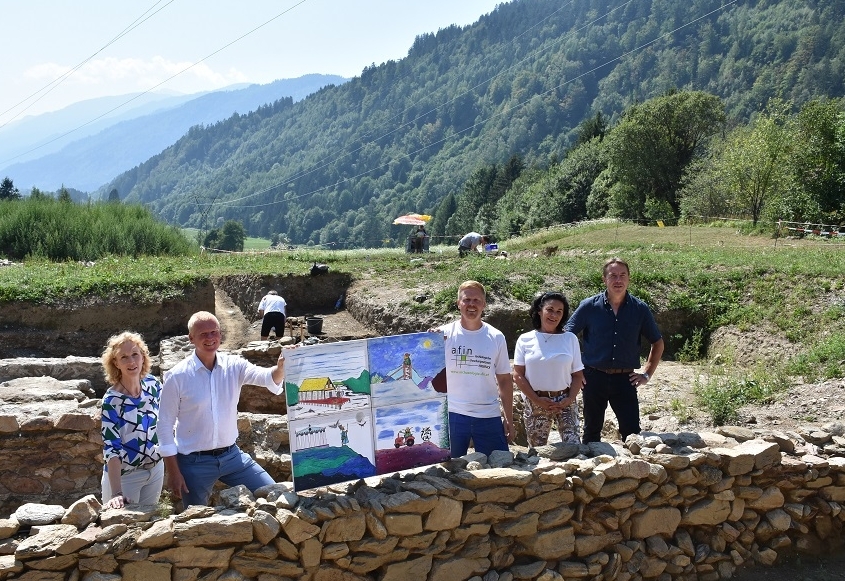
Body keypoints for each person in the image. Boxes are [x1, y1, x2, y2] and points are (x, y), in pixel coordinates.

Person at [159, 311, 287, 508]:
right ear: (191, 338)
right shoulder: (177, 377)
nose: (210, 338)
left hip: (232, 457)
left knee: (274, 495)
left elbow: (267, 377)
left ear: (220, 334)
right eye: (203, 334)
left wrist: (280, 368)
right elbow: (165, 426)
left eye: (214, 332)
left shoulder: (233, 365)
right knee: (195, 520)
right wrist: (174, 472)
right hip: (194, 463)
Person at [565, 258, 664, 443]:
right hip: (593, 378)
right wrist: (575, 371)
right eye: (613, 276)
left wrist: (647, 374)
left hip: (625, 380)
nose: (618, 280)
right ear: (604, 279)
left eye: (622, 275)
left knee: (632, 433)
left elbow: (657, 343)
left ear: (629, 279)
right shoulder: (589, 306)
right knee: (591, 432)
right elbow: (566, 337)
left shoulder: (640, 309)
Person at [438, 280, 513, 457]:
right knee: (448, 470)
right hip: (453, 415)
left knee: (498, 468)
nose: (471, 304)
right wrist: (427, 343)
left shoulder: (496, 337)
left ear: (484, 304)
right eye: (466, 300)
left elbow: (504, 380)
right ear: (458, 303)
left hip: (488, 415)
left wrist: (508, 419)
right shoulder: (442, 335)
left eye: (476, 300)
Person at [99, 331, 163, 509]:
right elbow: (112, 448)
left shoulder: (153, 385)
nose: (131, 361)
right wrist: (117, 493)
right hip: (126, 478)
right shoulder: (111, 401)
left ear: (143, 357)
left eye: (135, 354)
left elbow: (167, 423)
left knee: (149, 529)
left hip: (155, 470)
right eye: (124, 357)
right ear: (116, 363)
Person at [513, 291, 584, 446]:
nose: (554, 315)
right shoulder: (525, 339)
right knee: (537, 452)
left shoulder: (570, 339)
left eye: (559, 312)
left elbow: (578, 375)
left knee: (574, 447)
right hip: (536, 400)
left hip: (565, 400)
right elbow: (518, 375)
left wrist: (570, 399)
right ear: (540, 311)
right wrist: (537, 399)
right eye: (550, 310)